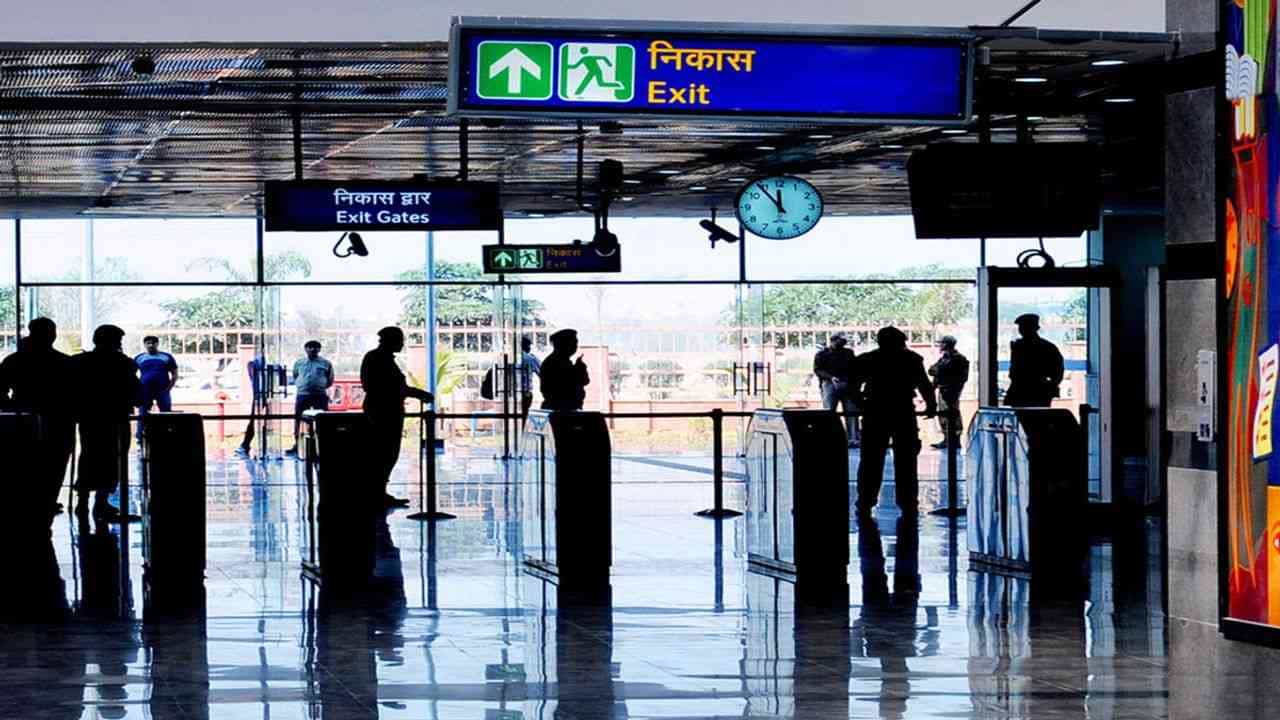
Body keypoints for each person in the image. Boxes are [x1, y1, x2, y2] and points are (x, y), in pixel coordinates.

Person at [852, 326, 936, 518]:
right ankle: (908, 502)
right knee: (906, 461)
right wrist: (931, 405)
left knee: (871, 461)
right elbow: (924, 384)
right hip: (902, 411)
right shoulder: (911, 359)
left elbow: (852, 385)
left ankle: (865, 502)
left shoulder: (868, 359)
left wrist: (861, 404)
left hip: (875, 411)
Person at [0, 317, 74, 520]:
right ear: (53, 335)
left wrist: (14, 406)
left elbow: (0, 390)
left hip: (22, 422)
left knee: (23, 467)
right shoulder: (65, 363)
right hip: (59, 421)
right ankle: (47, 504)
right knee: (54, 468)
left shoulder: (14, 360)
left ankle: (24, 507)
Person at [70, 324, 141, 521]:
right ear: (115, 342)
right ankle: (101, 502)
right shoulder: (123, 363)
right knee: (113, 459)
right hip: (116, 418)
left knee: (89, 456)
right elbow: (136, 393)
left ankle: (82, 501)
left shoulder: (79, 362)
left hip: (89, 419)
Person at [361, 327, 433, 508]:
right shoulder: (377, 359)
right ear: (390, 341)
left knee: (387, 452)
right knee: (384, 452)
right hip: (383, 411)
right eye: (400, 340)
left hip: (387, 410)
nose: (402, 344)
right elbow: (389, 387)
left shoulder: (381, 358)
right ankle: (376, 493)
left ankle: (379, 492)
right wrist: (418, 393)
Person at [1004, 313, 1065, 408]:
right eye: (1021, 327)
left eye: (1024, 327)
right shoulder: (1046, 346)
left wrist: (1048, 387)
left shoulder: (1046, 347)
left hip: (1036, 391)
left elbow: (1057, 372)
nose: (1021, 330)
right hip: (1023, 390)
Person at [286, 340, 334, 456]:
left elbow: (330, 379)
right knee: (299, 419)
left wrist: (319, 386)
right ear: (305, 349)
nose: (312, 349)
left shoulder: (326, 363)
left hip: (319, 395)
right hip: (303, 395)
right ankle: (297, 445)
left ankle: (323, 446)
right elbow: (296, 376)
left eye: (315, 347)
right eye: (310, 347)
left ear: (319, 349)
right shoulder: (299, 363)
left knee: (322, 421)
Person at [814, 333, 860, 448]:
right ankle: (830, 437)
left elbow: (854, 368)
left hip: (846, 384)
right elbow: (818, 370)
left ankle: (853, 438)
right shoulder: (822, 354)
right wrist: (831, 377)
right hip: (830, 383)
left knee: (851, 412)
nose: (844, 342)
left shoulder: (848, 353)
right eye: (841, 340)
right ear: (833, 340)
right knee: (830, 411)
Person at [927, 335, 970, 449]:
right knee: (944, 414)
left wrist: (941, 371)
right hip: (944, 389)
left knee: (951, 414)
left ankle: (954, 440)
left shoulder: (958, 359)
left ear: (947, 344)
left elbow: (941, 371)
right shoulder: (945, 358)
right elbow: (931, 370)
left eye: (942, 343)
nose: (940, 346)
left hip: (952, 391)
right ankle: (947, 439)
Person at [133, 335, 178, 440]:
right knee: (142, 415)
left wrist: (169, 388)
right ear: (144, 345)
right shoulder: (139, 358)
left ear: (157, 344)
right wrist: (137, 388)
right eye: (148, 343)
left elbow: (175, 374)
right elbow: (131, 374)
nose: (151, 345)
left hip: (163, 390)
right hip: (145, 391)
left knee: (166, 414)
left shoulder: (166, 357)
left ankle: (167, 438)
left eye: (153, 343)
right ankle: (140, 439)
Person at [539, 329, 589, 411]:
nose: (575, 346)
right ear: (562, 344)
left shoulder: (560, 361)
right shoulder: (555, 363)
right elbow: (581, 381)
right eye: (573, 343)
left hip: (565, 409)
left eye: (576, 343)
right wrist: (580, 369)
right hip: (561, 410)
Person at [517, 336, 542, 417]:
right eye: (529, 346)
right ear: (525, 346)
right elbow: (542, 372)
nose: (530, 348)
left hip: (511, 394)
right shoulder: (529, 358)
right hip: (525, 393)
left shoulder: (509, 357)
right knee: (523, 416)